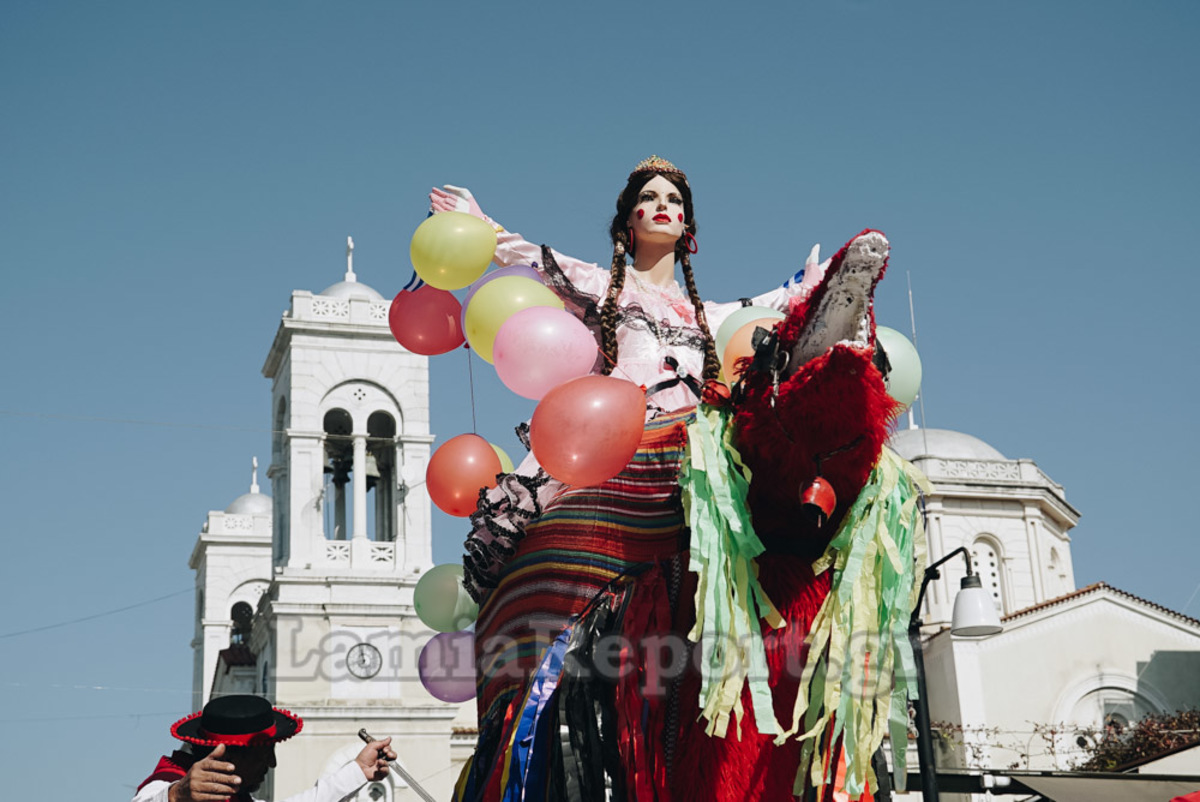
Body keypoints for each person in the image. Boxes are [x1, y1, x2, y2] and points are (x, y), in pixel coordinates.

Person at [430, 157, 923, 802]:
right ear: (628, 218)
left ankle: (833, 346)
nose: (665, 206)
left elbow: (758, 305)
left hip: (697, 430)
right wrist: (479, 226)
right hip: (617, 429)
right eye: (651, 197)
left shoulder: (707, 309)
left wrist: (805, 286)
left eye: (675, 200)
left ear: (688, 226)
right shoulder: (605, 288)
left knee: (758, 429)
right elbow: (531, 258)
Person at [132, 694, 396, 802]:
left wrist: (359, 770)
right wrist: (178, 794)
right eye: (263, 753)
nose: (272, 763)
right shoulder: (168, 783)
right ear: (226, 755)